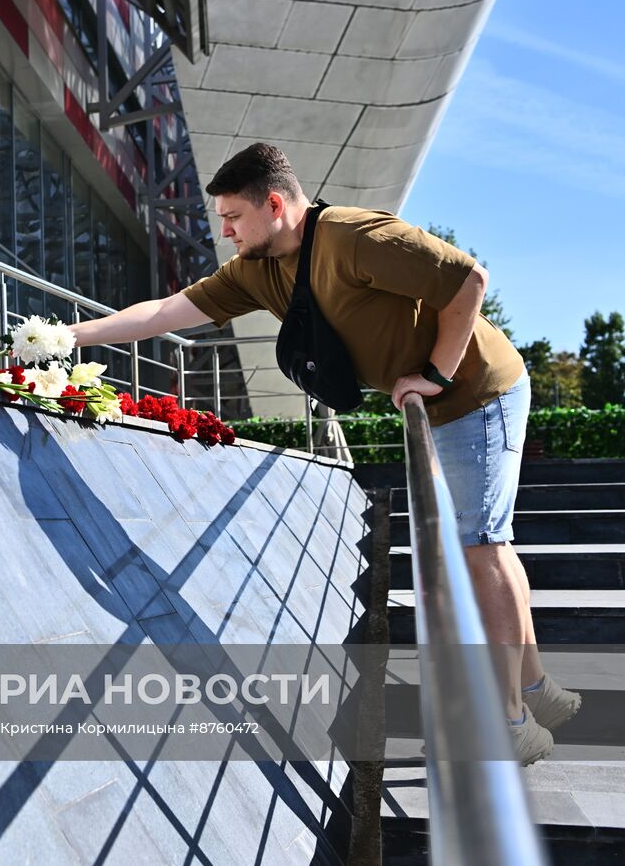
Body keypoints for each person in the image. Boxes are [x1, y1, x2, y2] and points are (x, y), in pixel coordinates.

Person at [68, 142, 580, 765]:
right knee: (487, 542)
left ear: (275, 204)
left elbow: (469, 280)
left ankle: (511, 721)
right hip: (435, 404)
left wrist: (438, 376)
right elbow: (165, 312)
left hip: (478, 393)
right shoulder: (256, 269)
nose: (224, 230)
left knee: (479, 547)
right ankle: (535, 689)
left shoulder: (352, 237)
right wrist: (67, 336)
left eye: (232, 216)